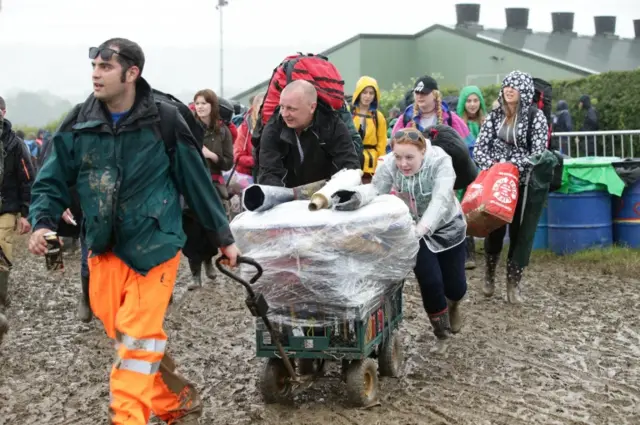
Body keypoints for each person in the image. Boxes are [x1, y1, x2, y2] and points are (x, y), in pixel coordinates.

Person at [27, 38, 239, 425]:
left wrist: (223, 238)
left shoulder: (165, 119)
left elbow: (196, 183)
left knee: (136, 340)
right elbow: (50, 180)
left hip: (155, 247)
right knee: (123, 333)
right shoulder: (79, 121)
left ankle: (128, 418)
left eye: (106, 67)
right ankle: (178, 401)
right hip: (102, 247)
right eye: (94, 66)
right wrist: (42, 222)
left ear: (132, 72)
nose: (96, 73)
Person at [372, 128, 467, 354]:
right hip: (414, 229)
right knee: (430, 281)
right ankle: (441, 333)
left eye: (409, 157)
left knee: (455, 286)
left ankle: (453, 303)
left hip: (447, 226)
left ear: (423, 151)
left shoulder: (441, 161)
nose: (403, 164)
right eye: (398, 157)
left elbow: (441, 199)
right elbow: (376, 192)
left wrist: (424, 227)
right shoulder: (389, 164)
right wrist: (356, 201)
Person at [473, 70, 548, 304]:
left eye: (514, 86)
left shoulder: (536, 118)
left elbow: (538, 154)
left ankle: (513, 284)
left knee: (519, 232)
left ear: (524, 91)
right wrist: (495, 169)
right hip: (495, 182)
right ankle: (489, 274)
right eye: (506, 85)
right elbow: (479, 148)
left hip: (523, 182)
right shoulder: (495, 115)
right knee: (494, 228)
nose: (508, 89)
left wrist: (513, 168)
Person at [257, 80, 360, 187]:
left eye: (291, 108)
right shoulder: (273, 128)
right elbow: (269, 173)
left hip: (326, 193)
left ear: (312, 107)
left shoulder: (332, 125)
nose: (284, 114)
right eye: (282, 107)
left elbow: (348, 165)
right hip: (288, 196)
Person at [186, 89, 234, 290]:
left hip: (214, 183)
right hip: (193, 182)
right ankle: (195, 274)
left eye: (204, 103)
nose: (200, 107)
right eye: (197, 103)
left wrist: (212, 156)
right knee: (192, 229)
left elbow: (228, 162)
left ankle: (208, 262)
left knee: (211, 226)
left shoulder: (223, 131)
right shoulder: (188, 128)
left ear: (212, 106)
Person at [0, 108, 36, 345]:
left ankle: (1, 297)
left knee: (3, 246)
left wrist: (25, 211)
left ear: (3, 112)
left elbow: (27, 178)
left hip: (6, 206)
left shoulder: (15, 144)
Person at [456, 85, 488, 270]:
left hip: (482, 172)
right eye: (469, 100)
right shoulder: (459, 124)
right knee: (463, 210)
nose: (473, 104)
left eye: (476, 100)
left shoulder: (486, 122)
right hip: (464, 172)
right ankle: (467, 253)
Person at [351, 76, 388, 183]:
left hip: (371, 167)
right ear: (359, 93)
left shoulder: (378, 116)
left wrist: (381, 162)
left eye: (371, 93)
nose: (367, 96)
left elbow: (382, 141)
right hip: (351, 161)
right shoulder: (349, 113)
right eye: (364, 92)